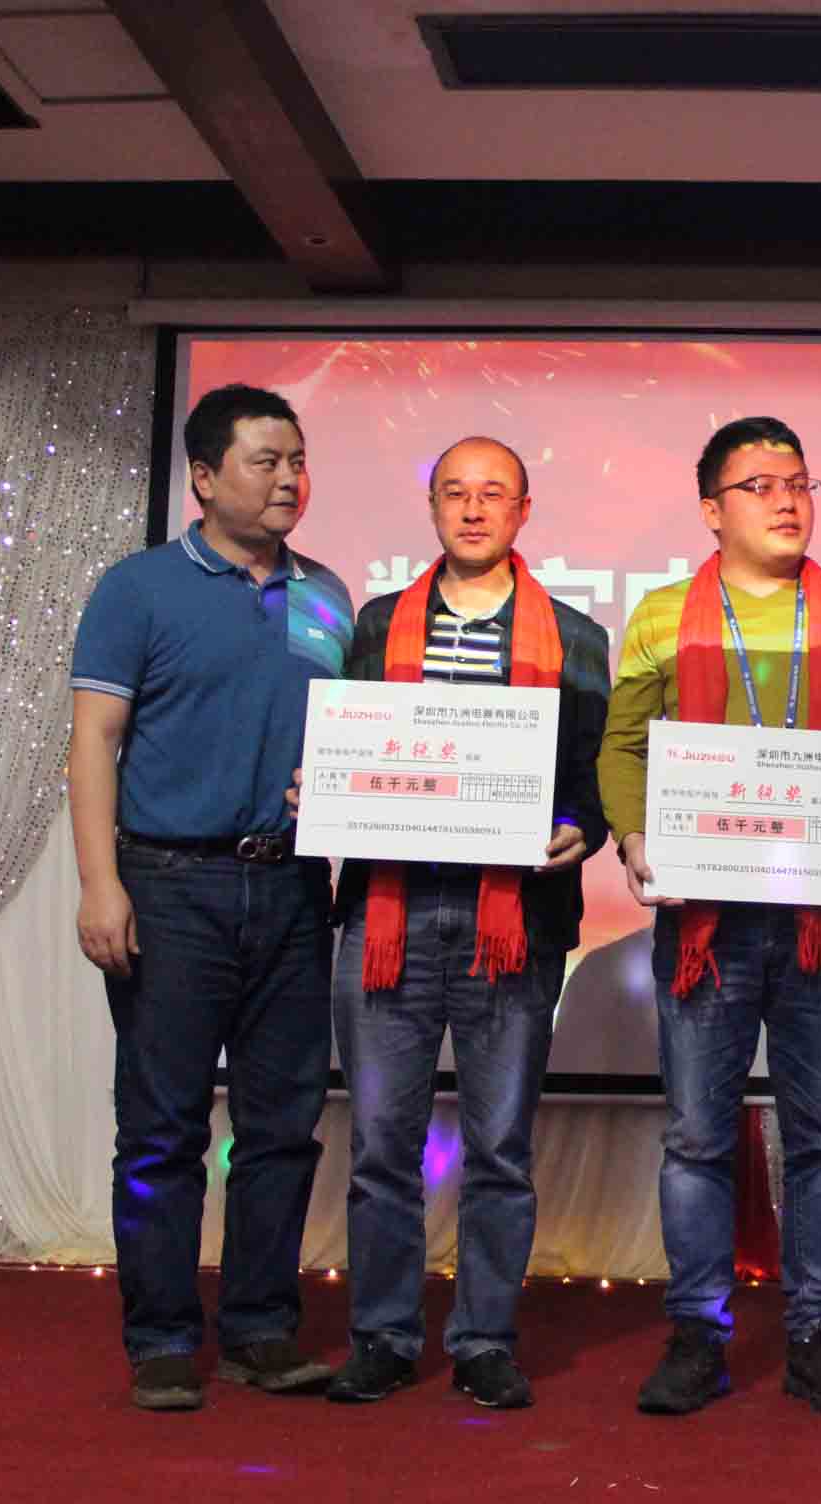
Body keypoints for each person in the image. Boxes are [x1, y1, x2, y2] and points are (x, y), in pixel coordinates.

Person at [597, 416, 821, 1416]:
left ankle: (816, 1336)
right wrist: (634, 837)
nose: (787, 500)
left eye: (799, 482)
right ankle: (698, 1336)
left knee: (820, 1138)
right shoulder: (663, 614)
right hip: (707, 922)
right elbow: (623, 743)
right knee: (698, 1137)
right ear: (711, 509)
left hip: (820, 918)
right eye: (760, 485)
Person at [70, 384, 354, 1412]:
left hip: (293, 889)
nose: (289, 480)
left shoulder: (327, 595)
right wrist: (100, 883)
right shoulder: (137, 588)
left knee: (282, 1127)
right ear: (202, 477)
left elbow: (350, 738)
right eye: (265, 462)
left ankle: (261, 1332)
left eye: (298, 461)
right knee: (162, 1130)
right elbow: (94, 740)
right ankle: (159, 1339)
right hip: (169, 886)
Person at [319, 436, 611, 1409]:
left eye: (494, 494)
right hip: (389, 914)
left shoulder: (574, 637)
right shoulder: (376, 626)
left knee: (500, 1152)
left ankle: (484, 1339)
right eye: (456, 493)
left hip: (513, 921)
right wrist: (324, 788)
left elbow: (591, 778)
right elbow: (352, 750)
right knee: (380, 1150)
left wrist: (582, 827)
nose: (474, 510)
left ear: (524, 510)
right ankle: (383, 1336)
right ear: (433, 508)